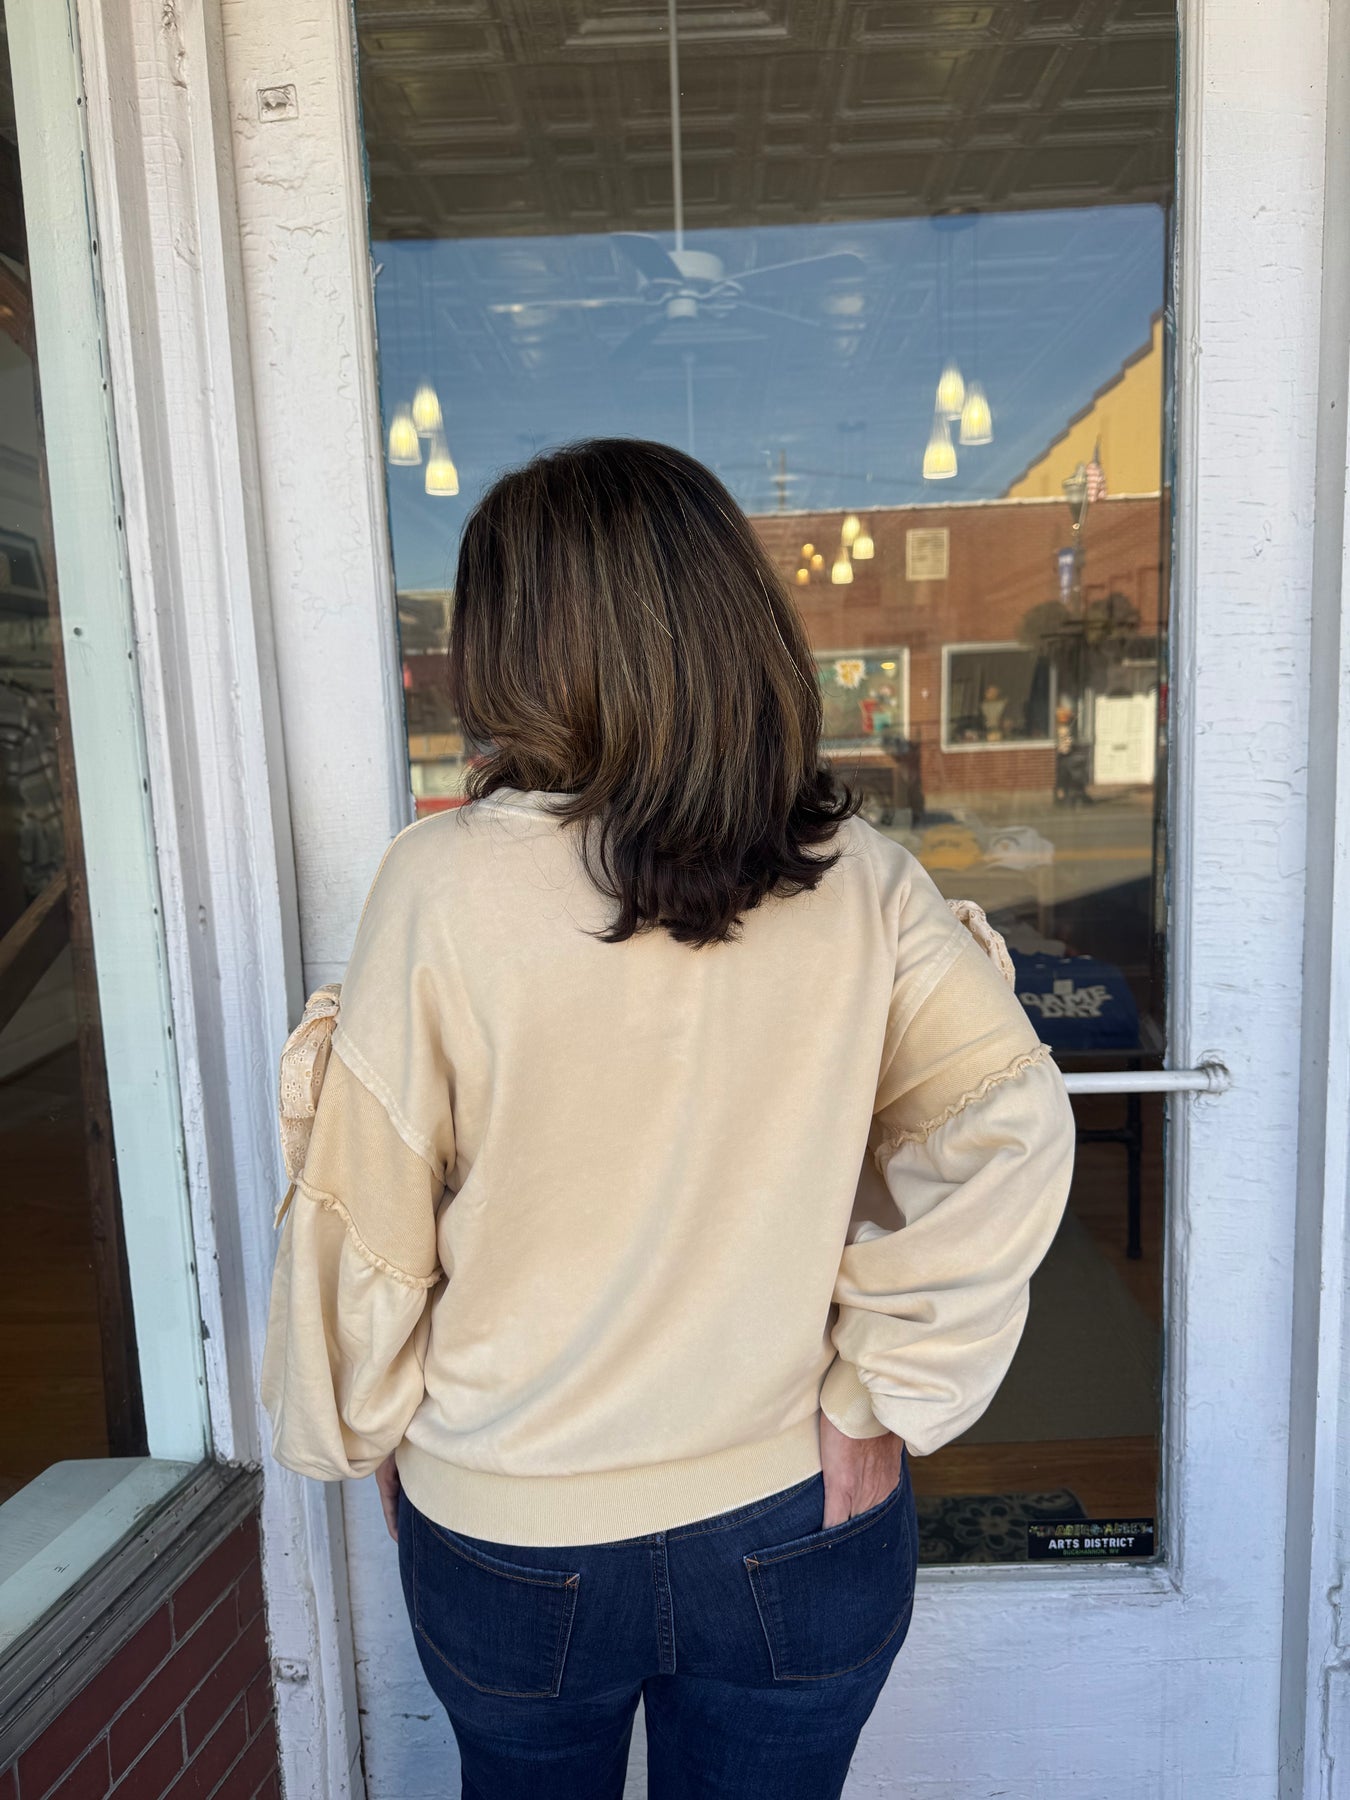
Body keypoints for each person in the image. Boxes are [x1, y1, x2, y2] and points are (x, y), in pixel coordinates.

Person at [261, 439, 1075, 1800]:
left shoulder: (439, 886)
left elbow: (371, 1204)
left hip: (512, 1516)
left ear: (514, 648)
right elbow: (1011, 1127)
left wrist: (377, 1418)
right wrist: (879, 1399)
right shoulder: (859, 879)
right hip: (795, 1507)